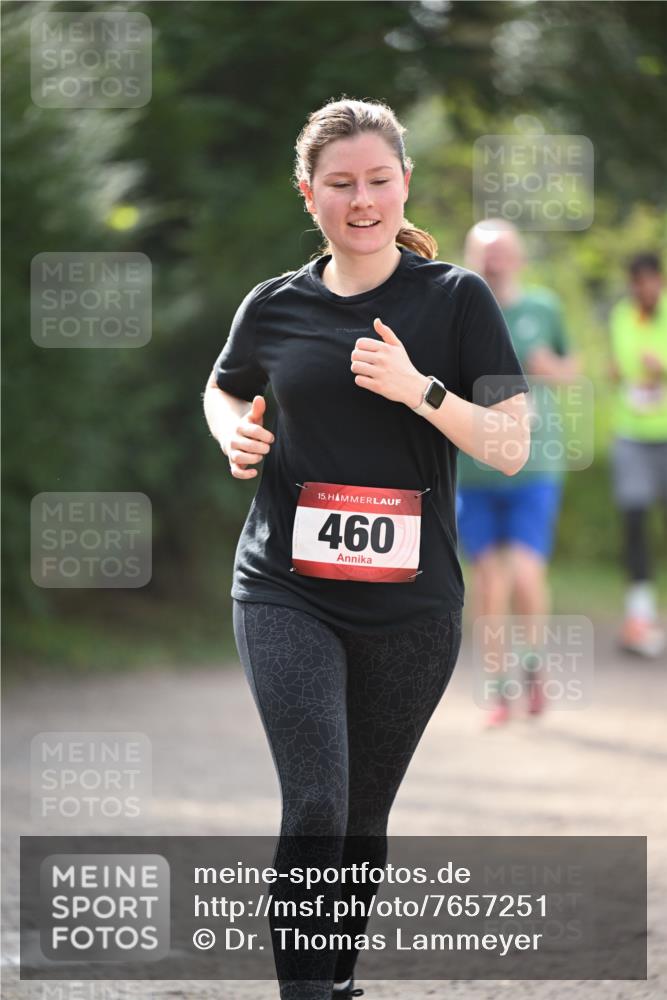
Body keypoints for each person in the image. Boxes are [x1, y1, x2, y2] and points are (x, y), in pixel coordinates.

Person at [202, 98, 530, 1000]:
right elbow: (223, 386)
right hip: (285, 588)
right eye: (340, 184)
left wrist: (420, 390)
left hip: (411, 606)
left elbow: (510, 445)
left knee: (359, 814)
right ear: (307, 193)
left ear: (404, 184)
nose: (362, 200)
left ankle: (335, 980)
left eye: (378, 180)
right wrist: (233, 432)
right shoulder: (274, 304)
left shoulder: (456, 300)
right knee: (316, 801)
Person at [456, 220, 580, 726]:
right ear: (471, 258)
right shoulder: (457, 309)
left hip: (535, 464)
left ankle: (532, 665)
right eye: (485, 252)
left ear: (519, 258)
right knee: (489, 582)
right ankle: (497, 686)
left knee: (527, 574)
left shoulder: (544, 308)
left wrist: (551, 368)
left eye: (502, 251)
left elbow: (573, 371)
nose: (494, 261)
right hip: (474, 471)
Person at [608, 252, 667, 657]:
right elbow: (626, 365)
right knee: (634, 524)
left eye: (650, 280)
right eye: (638, 282)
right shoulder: (621, 316)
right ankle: (640, 618)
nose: (644, 288)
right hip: (631, 434)